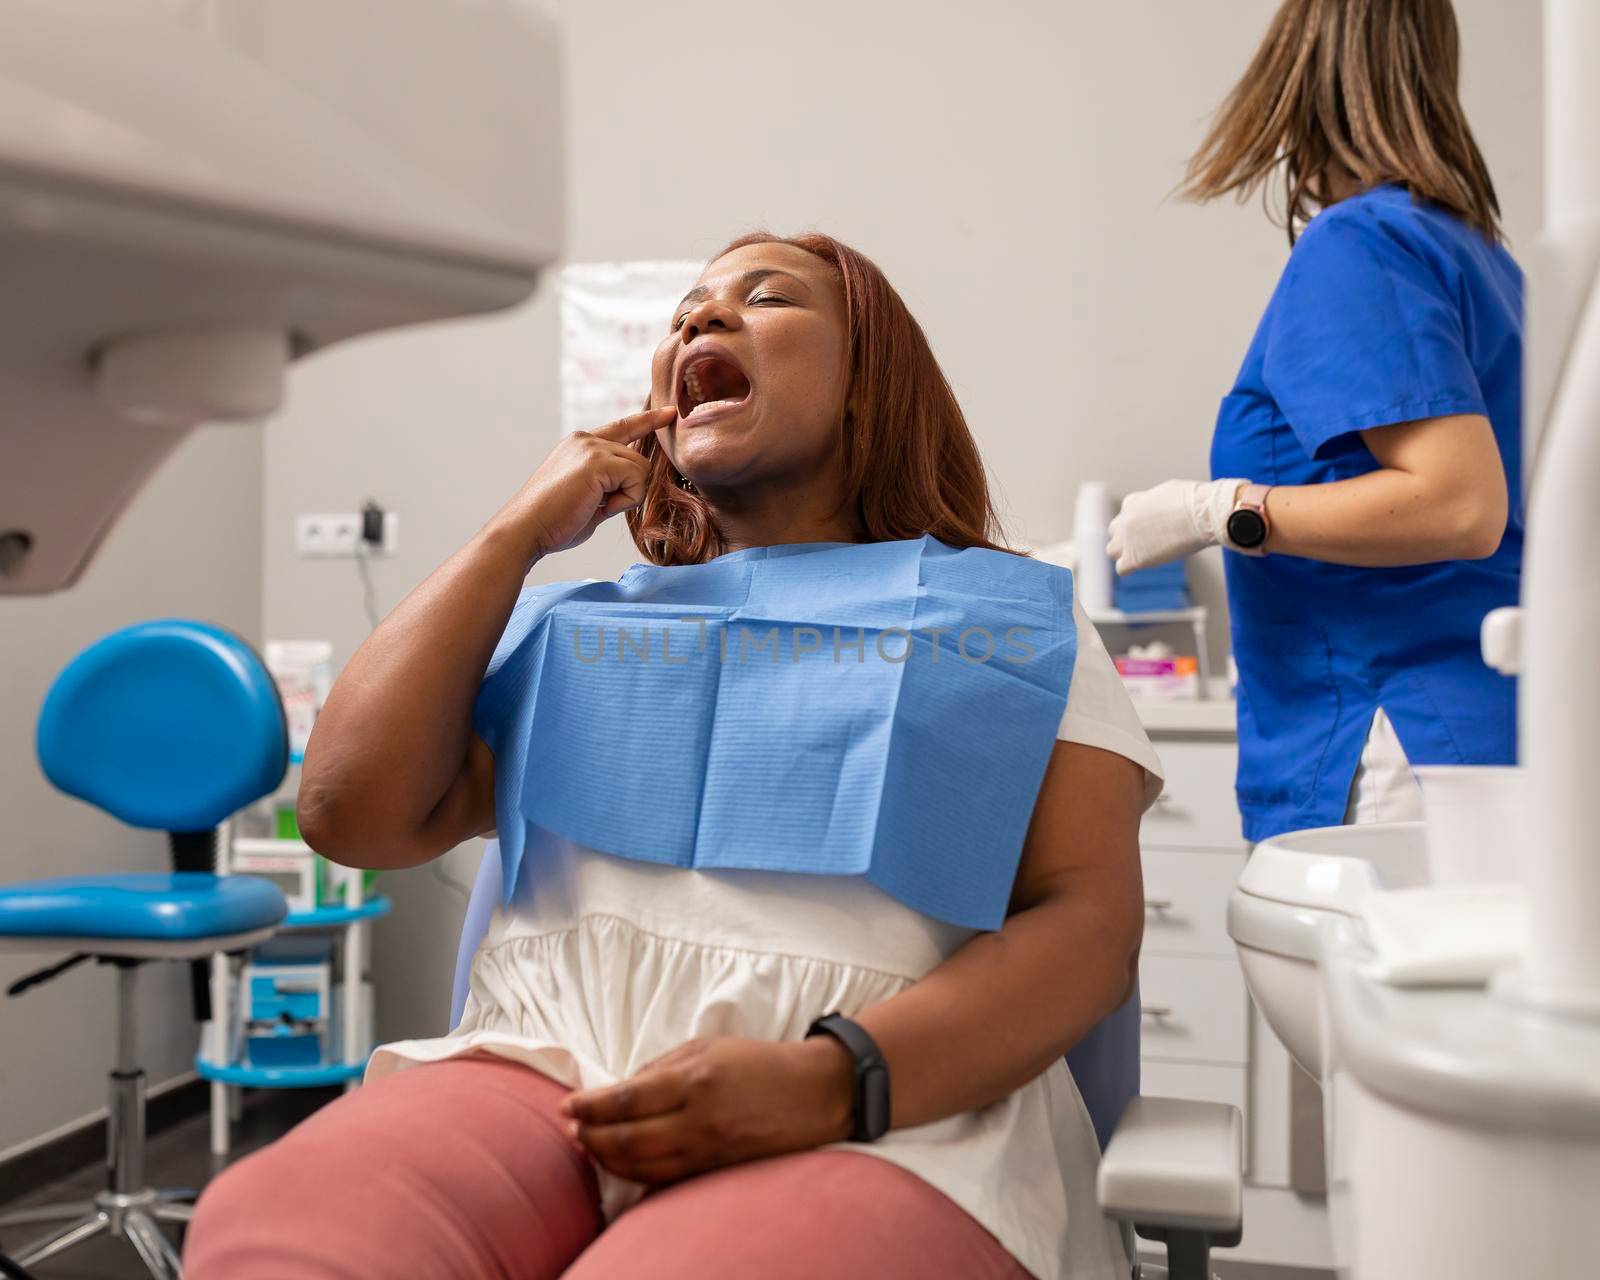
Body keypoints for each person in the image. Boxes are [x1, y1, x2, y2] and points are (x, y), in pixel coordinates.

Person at [184, 232, 1166, 1280]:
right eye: (685, 311)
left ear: (869, 391)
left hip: (885, 1104)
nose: (699, 318)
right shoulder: (572, 624)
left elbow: (1085, 924)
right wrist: (514, 532)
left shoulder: (1012, 620)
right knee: (282, 1228)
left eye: (765, 297)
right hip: (536, 1063)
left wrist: (831, 1077)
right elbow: (348, 808)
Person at [1108, 0, 1522, 837]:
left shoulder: (1362, 242)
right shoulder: (1480, 255)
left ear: (1298, 65)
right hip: (1479, 732)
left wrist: (1217, 512)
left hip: (1393, 737)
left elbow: (1460, 505)